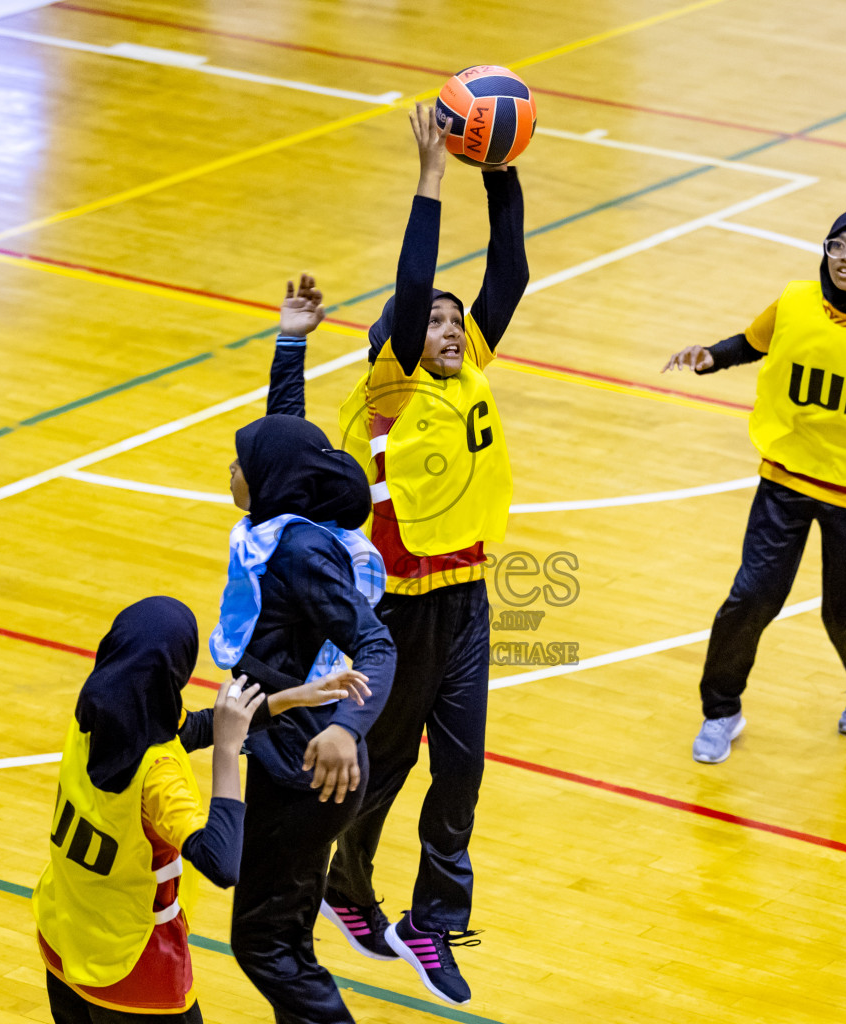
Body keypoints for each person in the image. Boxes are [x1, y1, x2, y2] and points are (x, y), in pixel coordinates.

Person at [317, 102, 528, 1007]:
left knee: (463, 767)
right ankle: (342, 884)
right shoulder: (390, 391)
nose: (448, 326)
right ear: (398, 349)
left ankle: (433, 923)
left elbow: (509, 274)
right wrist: (431, 176)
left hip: (468, 598)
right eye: (433, 320)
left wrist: (501, 165)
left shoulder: (465, 366)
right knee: (386, 765)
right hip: (395, 612)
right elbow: (410, 292)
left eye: (454, 320)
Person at [663, 208, 846, 764]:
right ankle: (721, 711)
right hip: (786, 478)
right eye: (837, 245)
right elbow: (751, 342)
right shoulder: (794, 301)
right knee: (750, 598)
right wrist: (710, 357)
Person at [33, 597, 367, 1022]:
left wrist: (287, 699)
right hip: (132, 966)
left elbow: (184, 729)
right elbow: (221, 861)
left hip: (64, 933)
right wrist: (227, 751)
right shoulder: (158, 778)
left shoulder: (95, 714)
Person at [213, 300, 398, 1024]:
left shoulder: (297, 552)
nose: (232, 467)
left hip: (308, 766)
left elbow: (377, 643)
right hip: (289, 754)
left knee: (263, 943)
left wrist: (347, 728)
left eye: (240, 464)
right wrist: (290, 346)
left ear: (266, 481)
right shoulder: (287, 517)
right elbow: (284, 439)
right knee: (284, 937)